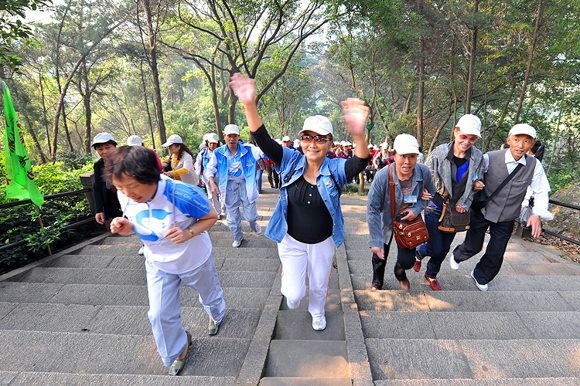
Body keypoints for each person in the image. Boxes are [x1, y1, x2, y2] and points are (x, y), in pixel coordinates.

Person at [229, 72, 370, 331]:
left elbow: (360, 161)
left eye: (320, 138)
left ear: (329, 143)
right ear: (301, 140)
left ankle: (317, 312)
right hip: (291, 239)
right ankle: (293, 281)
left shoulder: (336, 169)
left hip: (323, 242)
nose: (312, 143)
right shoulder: (291, 161)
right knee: (292, 297)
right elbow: (263, 140)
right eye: (307, 136)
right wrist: (249, 104)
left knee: (318, 285)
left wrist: (359, 134)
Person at [108, 145, 226, 376]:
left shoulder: (182, 194)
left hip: (194, 259)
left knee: (209, 294)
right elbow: (143, 222)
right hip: (158, 262)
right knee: (159, 314)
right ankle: (179, 348)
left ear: (151, 176)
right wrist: (129, 228)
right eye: (120, 187)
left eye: (132, 186)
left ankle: (217, 314)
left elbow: (210, 216)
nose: (127, 192)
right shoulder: (126, 195)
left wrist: (188, 233)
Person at [450, 123, 553, 291]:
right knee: (473, 246)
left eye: (526, 141)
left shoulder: (535, 166)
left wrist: (537, 214)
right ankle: (458, 254)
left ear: (532, 144)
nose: (521, 145)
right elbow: (473, 176)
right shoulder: (490, 157)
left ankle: (481, 275)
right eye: (517, 139)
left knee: (496, 252)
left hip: (507, 216)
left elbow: (541, 191)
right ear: (509, 140)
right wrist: (475, 183)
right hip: (483, 210)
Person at [413, 114, 485, 290]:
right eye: (464, 136)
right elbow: (427, 175)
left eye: (472, 138)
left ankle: (431, 274)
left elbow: (476, 180)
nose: (467, 142)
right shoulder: (439, 153)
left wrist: (466, 203)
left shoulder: (477, 157)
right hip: (435, 206)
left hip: (457, 210)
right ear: (455, 133)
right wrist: (438, 190)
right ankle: (420, 252)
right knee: (435, 247)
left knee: (445, 247)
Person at [367, 134, 435, 291]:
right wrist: (375, 239)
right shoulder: (383, 176)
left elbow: (432, 191)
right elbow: (372, 210)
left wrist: (418, 208)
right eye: (403, 156)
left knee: (407, 262)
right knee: (379, 255)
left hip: (408, 223)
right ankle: (377, 282)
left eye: (412, 156)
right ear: (394, 155)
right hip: (387, 221)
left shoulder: (423, 172)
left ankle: (400, 274)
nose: (407, 161)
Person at [205, 123, 263, 247]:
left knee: (251, 216)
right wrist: (211, 182)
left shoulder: (249, 149)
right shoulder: (218, 152)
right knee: (232, 217)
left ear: (238, 137)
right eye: (229, 136)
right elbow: (209, 169)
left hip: (245, 184)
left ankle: (253, 224)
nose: (232, 139)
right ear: (225, 137)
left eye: (234, 136)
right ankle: (238, 237)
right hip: (229, 186)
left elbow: (263, 153)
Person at [91, 132, 122, 225]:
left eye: (108, 147)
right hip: (111, 202)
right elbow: (97, 187)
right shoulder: (98, 165)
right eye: (100, 149)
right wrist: (99, 209)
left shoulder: (125, 160)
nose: (104, 151)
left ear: (115, 147)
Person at [195, 133, 224, 218]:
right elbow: (198, 165)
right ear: (207, 143)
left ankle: (223, 210)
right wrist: (198, 177)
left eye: (214, 143)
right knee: (212, 195)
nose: (212, 145)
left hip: (220, 177)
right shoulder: (203, 153)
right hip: (207, 178)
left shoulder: (221, 152)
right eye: (210, 143)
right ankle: (217, 212)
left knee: (223, 193)